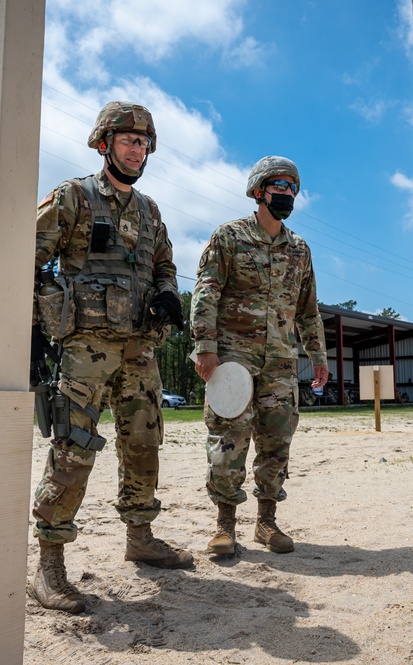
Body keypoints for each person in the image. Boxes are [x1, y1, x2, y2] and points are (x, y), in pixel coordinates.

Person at [29, 101, 192, 614]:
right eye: (127, 140)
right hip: (85, 350)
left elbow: (166, 266)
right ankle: (49, 566)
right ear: (104, 144)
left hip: (139, 350)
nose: (137, 149)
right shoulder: (72, 197)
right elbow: (25, 256)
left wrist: (167, 293)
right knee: (74, 447)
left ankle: (140, 537)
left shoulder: (150, 212)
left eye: (143, 143)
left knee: (144, 444)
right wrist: (31, 331)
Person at [191, 155, 328, 556]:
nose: (285, 193)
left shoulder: (299, 249)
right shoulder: (229, 237)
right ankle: (224, 527)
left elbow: (308, 309)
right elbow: (206, 292)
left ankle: (266, 524)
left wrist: (317, 356)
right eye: (277, 186)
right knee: (228, 441)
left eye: (291, 187)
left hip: (280, 364)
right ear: (257, 192)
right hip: (232, 360)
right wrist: (205, 347)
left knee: (277, 443)